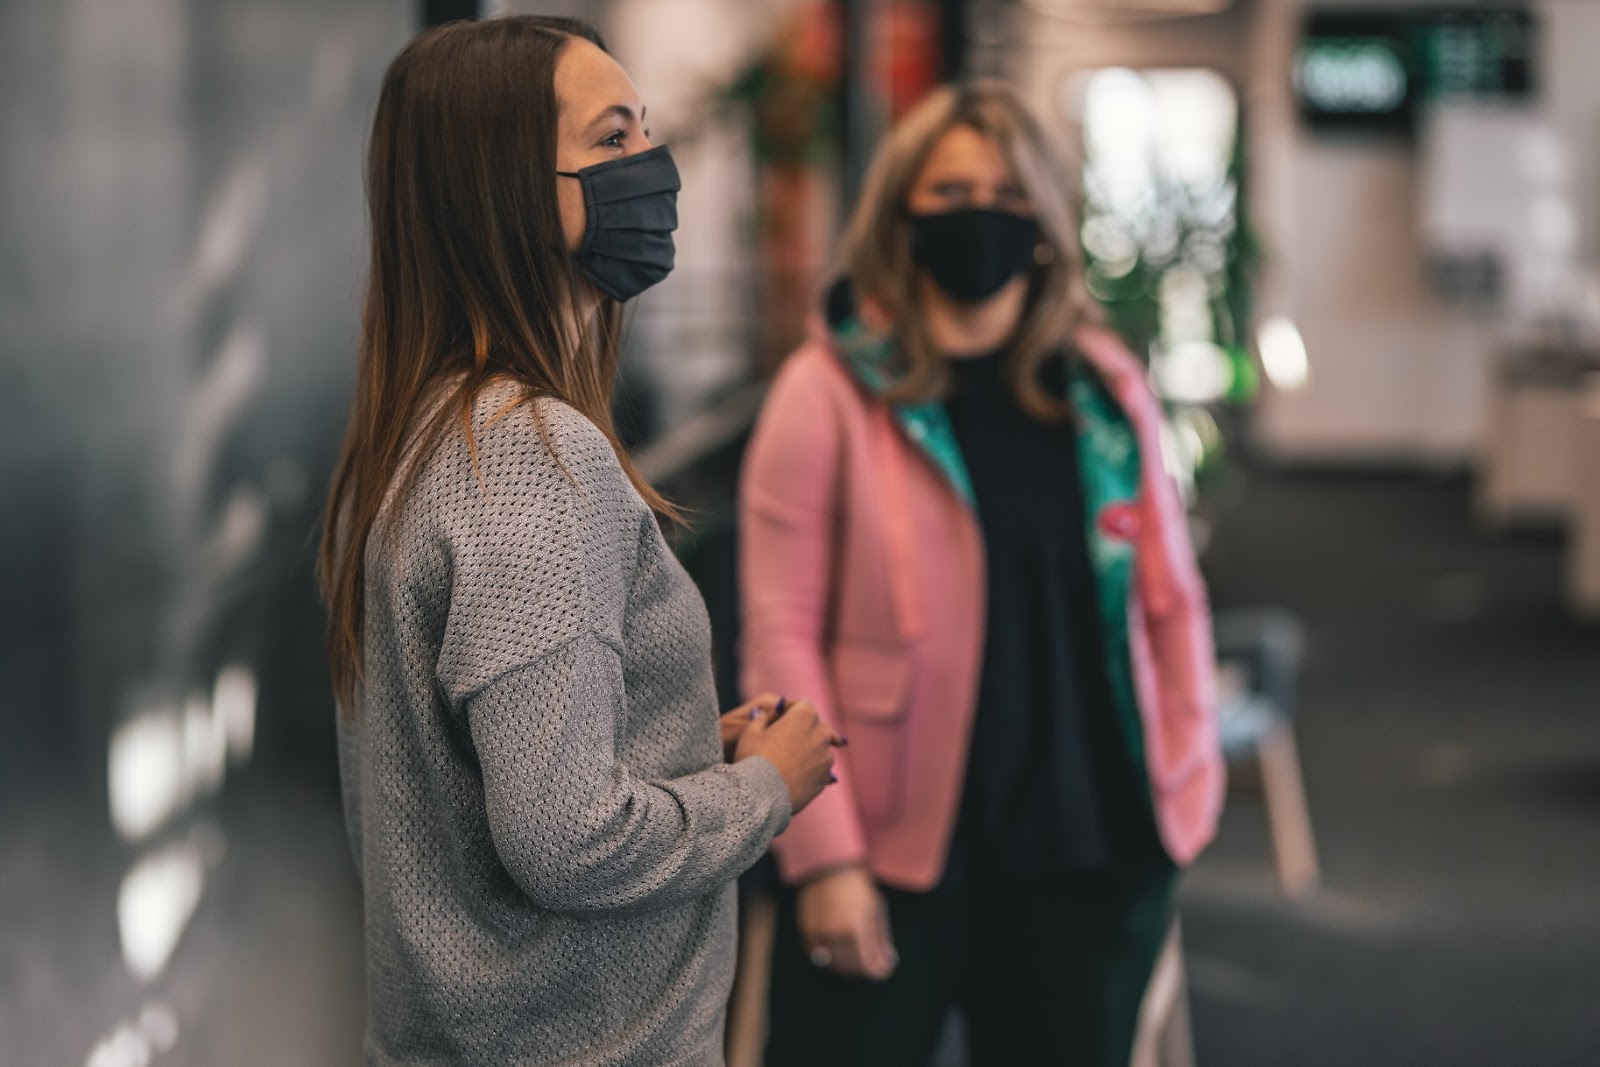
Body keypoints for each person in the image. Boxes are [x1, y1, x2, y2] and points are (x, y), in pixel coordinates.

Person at [317, 17, 840, 1066]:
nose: (652, 165)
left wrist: (685, 742)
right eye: (612, 139)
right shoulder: (528, 460)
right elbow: (568, 839)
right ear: (506, 186)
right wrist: (763, 788)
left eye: (644, 131)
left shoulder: (443, 431)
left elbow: (495, 774)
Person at [739, 80, 1225, 1066]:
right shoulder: (829, 386)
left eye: (1005, 192)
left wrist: (1185, 782)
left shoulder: (1100, 388)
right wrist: (821, 850)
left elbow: (1170, 603)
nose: (978, 215)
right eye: (948, 189)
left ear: (1044, 220)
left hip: (1090, 843)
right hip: (886, 849)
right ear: (900, 213)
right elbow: (779, 630)